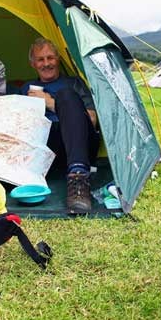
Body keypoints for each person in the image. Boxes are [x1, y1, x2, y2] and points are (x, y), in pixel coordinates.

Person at [20, 38, 99, 214]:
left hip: (80, 144)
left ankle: (78, 179)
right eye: (40, 59)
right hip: (47, 148)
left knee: (66, 95)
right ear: (33, 64)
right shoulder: (27, 88)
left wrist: (50, 103)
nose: (46, 63)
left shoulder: (74, 83)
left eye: (51, 58)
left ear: (58, 59)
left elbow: (92, 120)